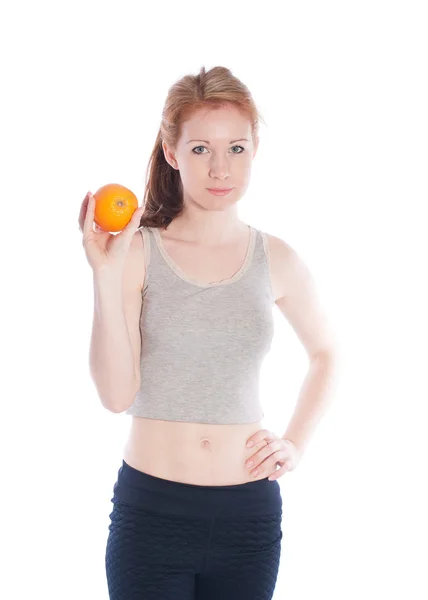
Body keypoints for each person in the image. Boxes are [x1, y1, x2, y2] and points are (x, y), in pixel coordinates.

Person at [79, 65, 339, 599]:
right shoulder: (138, 253)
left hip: (248, 519)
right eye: (200, 149)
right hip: (152, 515)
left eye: (236, 148)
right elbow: (114, 395)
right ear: (171, 153)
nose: (220, 167)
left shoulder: (278, 259)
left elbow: (327, 352)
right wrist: (106, 277)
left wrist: (295, 443)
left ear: (254, 148)